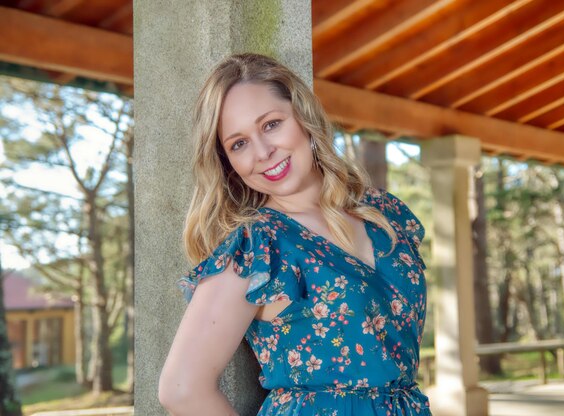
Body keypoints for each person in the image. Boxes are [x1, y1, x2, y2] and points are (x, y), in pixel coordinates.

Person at [158, 53, 431, 416]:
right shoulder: (258, 246)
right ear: (228, 164)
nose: (263, 152)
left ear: (303, 116)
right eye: (238, 143)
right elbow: (180, 389)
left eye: (271, 125)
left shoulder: (385, 214)